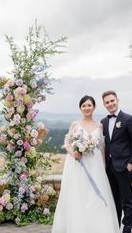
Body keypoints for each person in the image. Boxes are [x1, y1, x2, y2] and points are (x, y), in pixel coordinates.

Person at [52, 95, 119, 233]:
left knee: (95, 197)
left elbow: (102, 148)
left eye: (89, 105)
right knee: (79, 195)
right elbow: (67, 143)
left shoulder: (99, 125)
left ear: (94, 107)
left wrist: (104, 167)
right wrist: (74, 153)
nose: (86, 108)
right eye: (84, 106)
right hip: (78, 165)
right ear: (80, 108)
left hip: (95, 166)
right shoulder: (75, 124)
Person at [101, 90, 132, 233]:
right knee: (114, 199)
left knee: (127, 200)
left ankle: (127, 228)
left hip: (125, 166)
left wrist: (131, 163)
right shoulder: (103, 122)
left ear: (117, 100)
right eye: (107, 102)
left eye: (112, 100)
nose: (110, 104)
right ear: (104, 104)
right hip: (109, 167)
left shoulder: (128, 119)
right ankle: (116, 226)